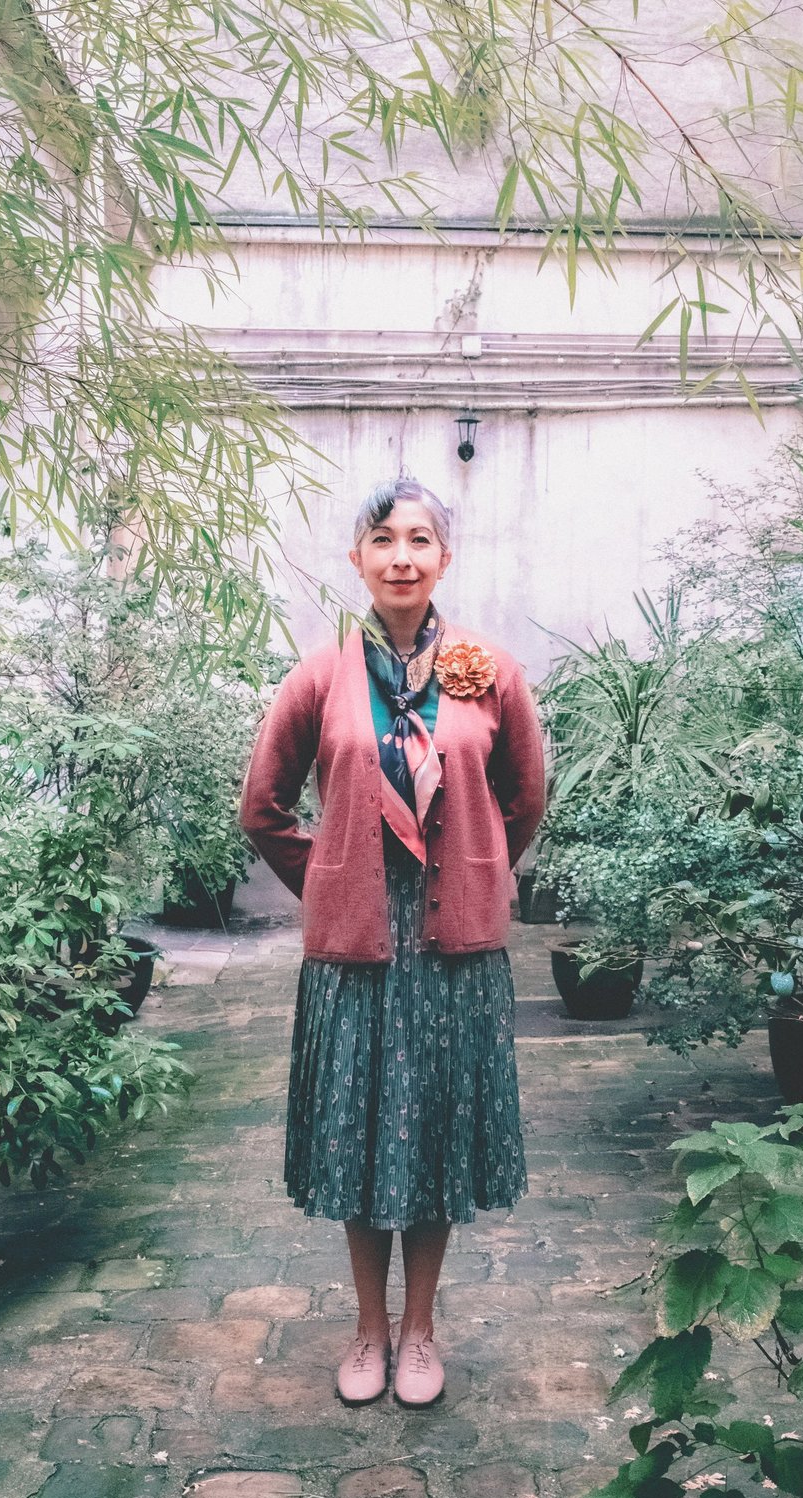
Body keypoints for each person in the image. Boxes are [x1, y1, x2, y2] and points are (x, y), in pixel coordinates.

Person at [239, 477, 546, 1407]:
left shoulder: (489, 672)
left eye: (420, 539)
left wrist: (479, 867)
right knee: (360, 1143)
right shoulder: (321, 676)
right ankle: (367, 1331)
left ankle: (420, 1333)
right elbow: (263, 808)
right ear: (359, 560)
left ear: (443, 558)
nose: (402, 556)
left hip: (454, 949)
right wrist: (332, 875)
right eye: (384, 540)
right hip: (358, 952)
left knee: (439, 1142)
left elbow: (525, 795)